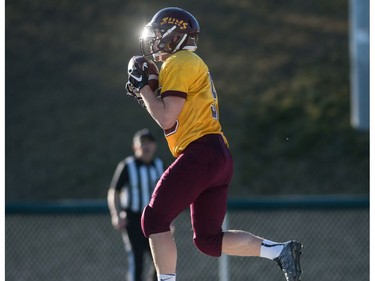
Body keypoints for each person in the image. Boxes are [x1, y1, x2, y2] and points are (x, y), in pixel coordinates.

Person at [125, 7, 303, 281]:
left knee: (153, 220)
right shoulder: (186, 63)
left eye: (159, 34)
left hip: (200, 153)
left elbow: (165, 117)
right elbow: (172, 114)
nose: (154, 41)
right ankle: (278, 251)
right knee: (208, 240)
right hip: (218, 156)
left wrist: (144, 88)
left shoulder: (179, 62)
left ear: (175, 36)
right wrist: (149, 89)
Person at [108, 129, 165, 281]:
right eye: (142, 143)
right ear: (135, 147)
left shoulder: (160, 165)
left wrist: (169, 220)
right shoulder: (127, 166)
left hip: (154, 220)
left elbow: (168, 195)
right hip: (133, 218)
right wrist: (116, 214)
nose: (146, 147)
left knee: (160, 260)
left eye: (149, 143)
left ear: (154, 146)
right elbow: (114, 191)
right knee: (137, 259)